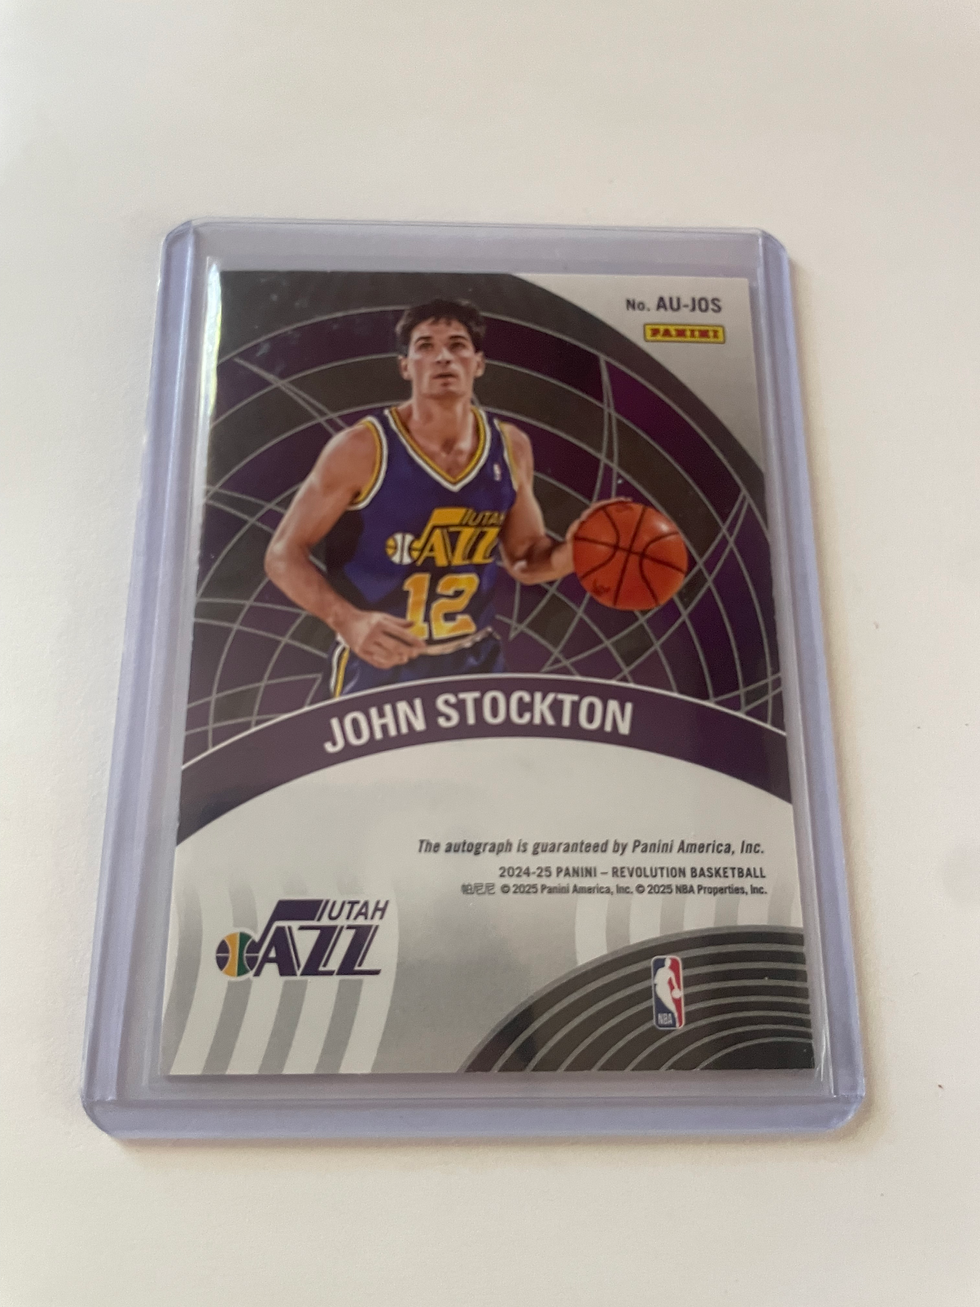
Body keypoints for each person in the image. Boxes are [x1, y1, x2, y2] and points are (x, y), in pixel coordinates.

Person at [265, 298, 605, 697]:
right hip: (378, 665)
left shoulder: (511, 447)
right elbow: (282, 554)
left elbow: (526, 558)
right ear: (405, 366)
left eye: (457, 345)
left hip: (474, 662)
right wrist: (347, 620)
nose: (443, 357)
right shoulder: (361, 448)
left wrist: (578, 552)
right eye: (425, 346)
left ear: (478, 363)